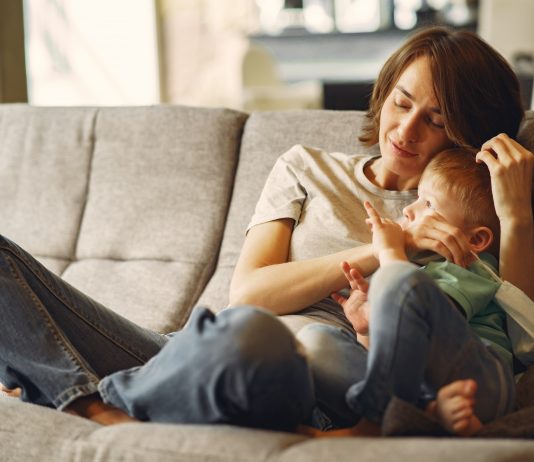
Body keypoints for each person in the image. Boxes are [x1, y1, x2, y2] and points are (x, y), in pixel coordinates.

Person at [0, 26, 532, 431]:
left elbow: (517, 345)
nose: (407, 129)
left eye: (436, 120)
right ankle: (93, 404)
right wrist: (384, 248)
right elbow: (249, 292)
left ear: (468, 133)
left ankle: (65, 393)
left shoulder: (465, 217)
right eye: (402, 101)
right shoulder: (306, 166)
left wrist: (515, 214)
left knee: (253, 339)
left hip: (283, 374)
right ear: (386, 89)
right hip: (186, 349)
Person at [330, 147, 514, 436]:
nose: (408, 209)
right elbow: (395, 359)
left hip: (482, 382)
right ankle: (430, 414)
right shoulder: (422, 272)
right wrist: (365, 327)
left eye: (429, 204)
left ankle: (376, 422)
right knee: (317, 340)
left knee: (402, 282)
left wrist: (389, 251)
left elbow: (423, 324)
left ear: (476, 239)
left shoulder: (475, 270)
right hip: (425, 389)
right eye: (417, 197)